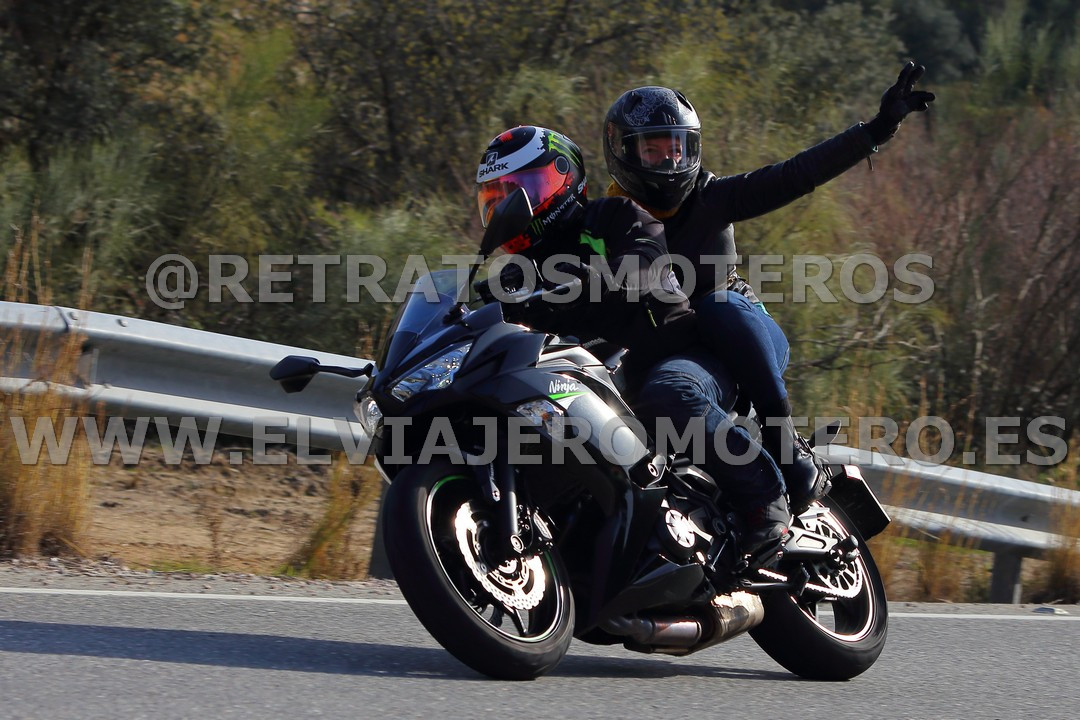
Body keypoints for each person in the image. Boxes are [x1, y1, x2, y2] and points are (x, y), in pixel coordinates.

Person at [602, 62, 935, 511]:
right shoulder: (603, 222)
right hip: (680, 357)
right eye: (653, 150)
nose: (669, 162)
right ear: (623, 152)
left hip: (743, 339)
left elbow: (795, 174)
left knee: (718, 304)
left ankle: (786, 445)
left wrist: (876, 130)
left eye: (677, 149)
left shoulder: (712, 197)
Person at [475, 124, 791, 568]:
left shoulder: (615, 216)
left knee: (666, 392)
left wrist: (592, 279)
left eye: (520, 190)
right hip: (603, 384)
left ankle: (766, 499)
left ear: (561, 179)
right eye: (495, 198)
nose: (508, 205)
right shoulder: (515, 275)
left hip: (682, 357)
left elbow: (646, 262)